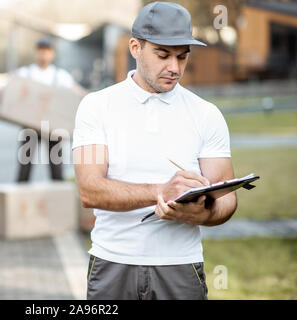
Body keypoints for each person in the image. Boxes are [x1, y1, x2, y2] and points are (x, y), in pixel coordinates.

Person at [72, 1, 237, 300]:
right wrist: (163, 190)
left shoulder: (206, 114)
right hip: (112, 264)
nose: (174, 68)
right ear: (135, 48)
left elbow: (227, 200)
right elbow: (89, 190)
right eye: (163, 55)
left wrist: (201, 213)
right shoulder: (95, 107)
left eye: (181, 57)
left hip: (180, 267)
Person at [15, 36, 79, 182]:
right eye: (40, 51)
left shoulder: (61, 76)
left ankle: (57, 197)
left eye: (47, 51)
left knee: (56, 166)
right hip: (30, 124)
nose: (43, 54)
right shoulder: (25, 73)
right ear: (36, 53)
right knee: (25, 165)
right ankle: (20, 198)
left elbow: (74, 92)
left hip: (53, 126)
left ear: (52, 54)